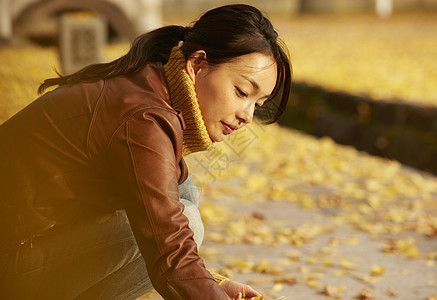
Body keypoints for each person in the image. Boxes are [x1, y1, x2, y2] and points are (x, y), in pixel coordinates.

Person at [0, 4, 291, 300]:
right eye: (242, 92)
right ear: (197, 65)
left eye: (258, 103)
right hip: (9, 258)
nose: (247, 116)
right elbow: (169, 251)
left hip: (30, 241)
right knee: (184, 217)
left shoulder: (149, 83)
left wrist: (213, 285)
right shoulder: (144, 118)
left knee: (182, 192)